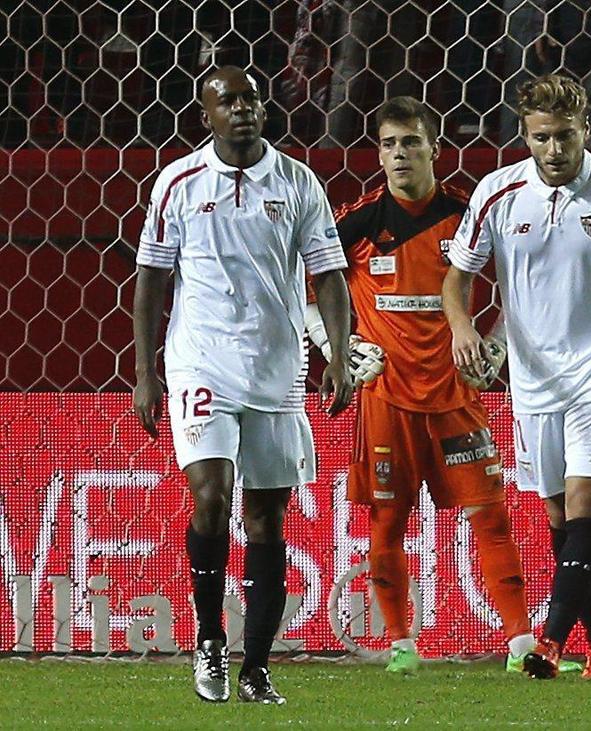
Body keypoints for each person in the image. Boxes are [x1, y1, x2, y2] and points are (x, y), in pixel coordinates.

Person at [443, 73, 591, 680]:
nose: (554, 150)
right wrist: (463, 328)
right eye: (542, 137)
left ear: (586, 130)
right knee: (557, 516)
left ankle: (548, 641)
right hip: (533, 376)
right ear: (524, 136)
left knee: (584, 502)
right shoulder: (497, 193)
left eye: (565, 136)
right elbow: (457, 277)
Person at [132, 66, 356, 704]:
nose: (242, 109)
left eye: (251, 99)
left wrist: (339, 355)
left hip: (277, 370)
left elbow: (329, 274)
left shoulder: (297, 182)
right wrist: (146, 372)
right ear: (206, 115)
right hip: (201, 362)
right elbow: (151, 278)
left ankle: (255, 666)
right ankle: (209, 638)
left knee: (266, 516)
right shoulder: (177, 183)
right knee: (211, 494)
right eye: (228, 101)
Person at [303, 95, 541, 674]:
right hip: (386, 397)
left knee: (490, 516)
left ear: (435, 149)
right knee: (387, 521)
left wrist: (498, 347)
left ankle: (520, 643)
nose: (399, 154)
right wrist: (338, 348)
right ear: (378, 154)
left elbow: (523, 286)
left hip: (457, 393)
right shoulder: (358, 221)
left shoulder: (469, 213)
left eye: (411, 142)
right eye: (388, 144)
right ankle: (400, 645)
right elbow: (303, 292)